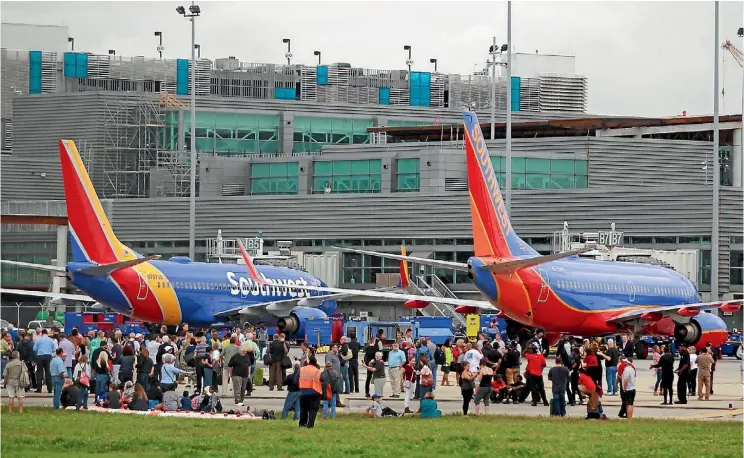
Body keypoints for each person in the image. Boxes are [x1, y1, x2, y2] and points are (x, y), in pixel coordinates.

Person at [298, 355, 323, 428]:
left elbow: (296, 379)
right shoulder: (317, 371)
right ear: (315, 362)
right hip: (314, 392)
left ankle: (302, 424)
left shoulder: (302, 369)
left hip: (303, 392)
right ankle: (310, 425)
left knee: (303, 409)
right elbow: (323, 379)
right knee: (313, 410)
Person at [33, 329, 56, 393]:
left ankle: (39, 389)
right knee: (48, 372)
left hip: (40, 356)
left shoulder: (38, 340)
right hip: (48, 356)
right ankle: (50, 389)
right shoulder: (51, 340)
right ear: (47, 333)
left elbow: (34, 349)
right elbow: (54, 350)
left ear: (41, 333)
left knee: (39, 372)